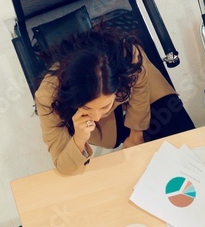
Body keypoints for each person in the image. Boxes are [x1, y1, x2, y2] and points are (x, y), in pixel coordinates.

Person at [34, 26, 195, 176]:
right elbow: (64, 167)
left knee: (184, 142)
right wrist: (79, 139)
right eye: (87, 108)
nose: (96, 117)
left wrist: (136, 133)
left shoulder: (129, 58)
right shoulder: (47, 96)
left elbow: (140, 90)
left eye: (104, 106)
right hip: (101, 120)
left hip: (136, 89)